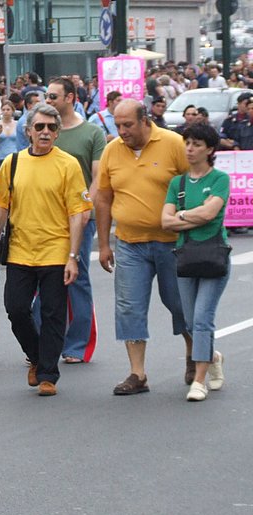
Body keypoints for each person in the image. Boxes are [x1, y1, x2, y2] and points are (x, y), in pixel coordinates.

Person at [0, 104, 91, 396]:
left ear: (57, 133)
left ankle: (47, 373)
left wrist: (73, 256)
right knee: (16, 309)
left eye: (51, 127)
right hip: (20, 249)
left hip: (56, 251)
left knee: (53, 313)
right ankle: (36, 356)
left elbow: (77, 214)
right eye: (40, 127)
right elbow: (1, 205)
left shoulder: (68, 164)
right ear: (28, 131)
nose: (45, 132)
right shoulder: (13, 163)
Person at [95, 99, 190, 395]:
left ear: (145, 120)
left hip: (172, 242)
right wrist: (103, 245)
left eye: (128, 125)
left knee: (180, 303)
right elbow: (103, 198)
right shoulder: (112, 150)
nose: (122, 131)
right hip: (129, 243)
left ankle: (195, 355)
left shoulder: (173, 144)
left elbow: (198, 184)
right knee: (129, 306)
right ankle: (138, 374)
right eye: (117, 125)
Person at [161, 124, 230, 402]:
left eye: (197, 144)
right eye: (187, 142)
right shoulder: (177, 183)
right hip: (186, 257)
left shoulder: (219, 179)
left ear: (210, 149)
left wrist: (182, 216)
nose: (190, 148)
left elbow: (211, 213)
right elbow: (164, 222)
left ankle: (199, 380)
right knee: (189, 320)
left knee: (202, 319)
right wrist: (194, 214)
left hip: (213, 257)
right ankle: (212, 356)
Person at [44, 77, 105, 364]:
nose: (48, 101)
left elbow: (96, 177)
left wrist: (84, 208)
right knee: (40, 280)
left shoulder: (92, 133)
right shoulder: (40, 130)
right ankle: (43, 341)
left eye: (53, 96)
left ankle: (78, 345)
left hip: (79, 217)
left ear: (70, 98)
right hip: (43, 217)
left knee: (76, 279)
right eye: (47, 96)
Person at [0, 100, 19, 171]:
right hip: (1, 158)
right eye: (3, 109)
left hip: (15, 157)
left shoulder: (17, 124)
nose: (5, 112)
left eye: (8, 109)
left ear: (13, 111)